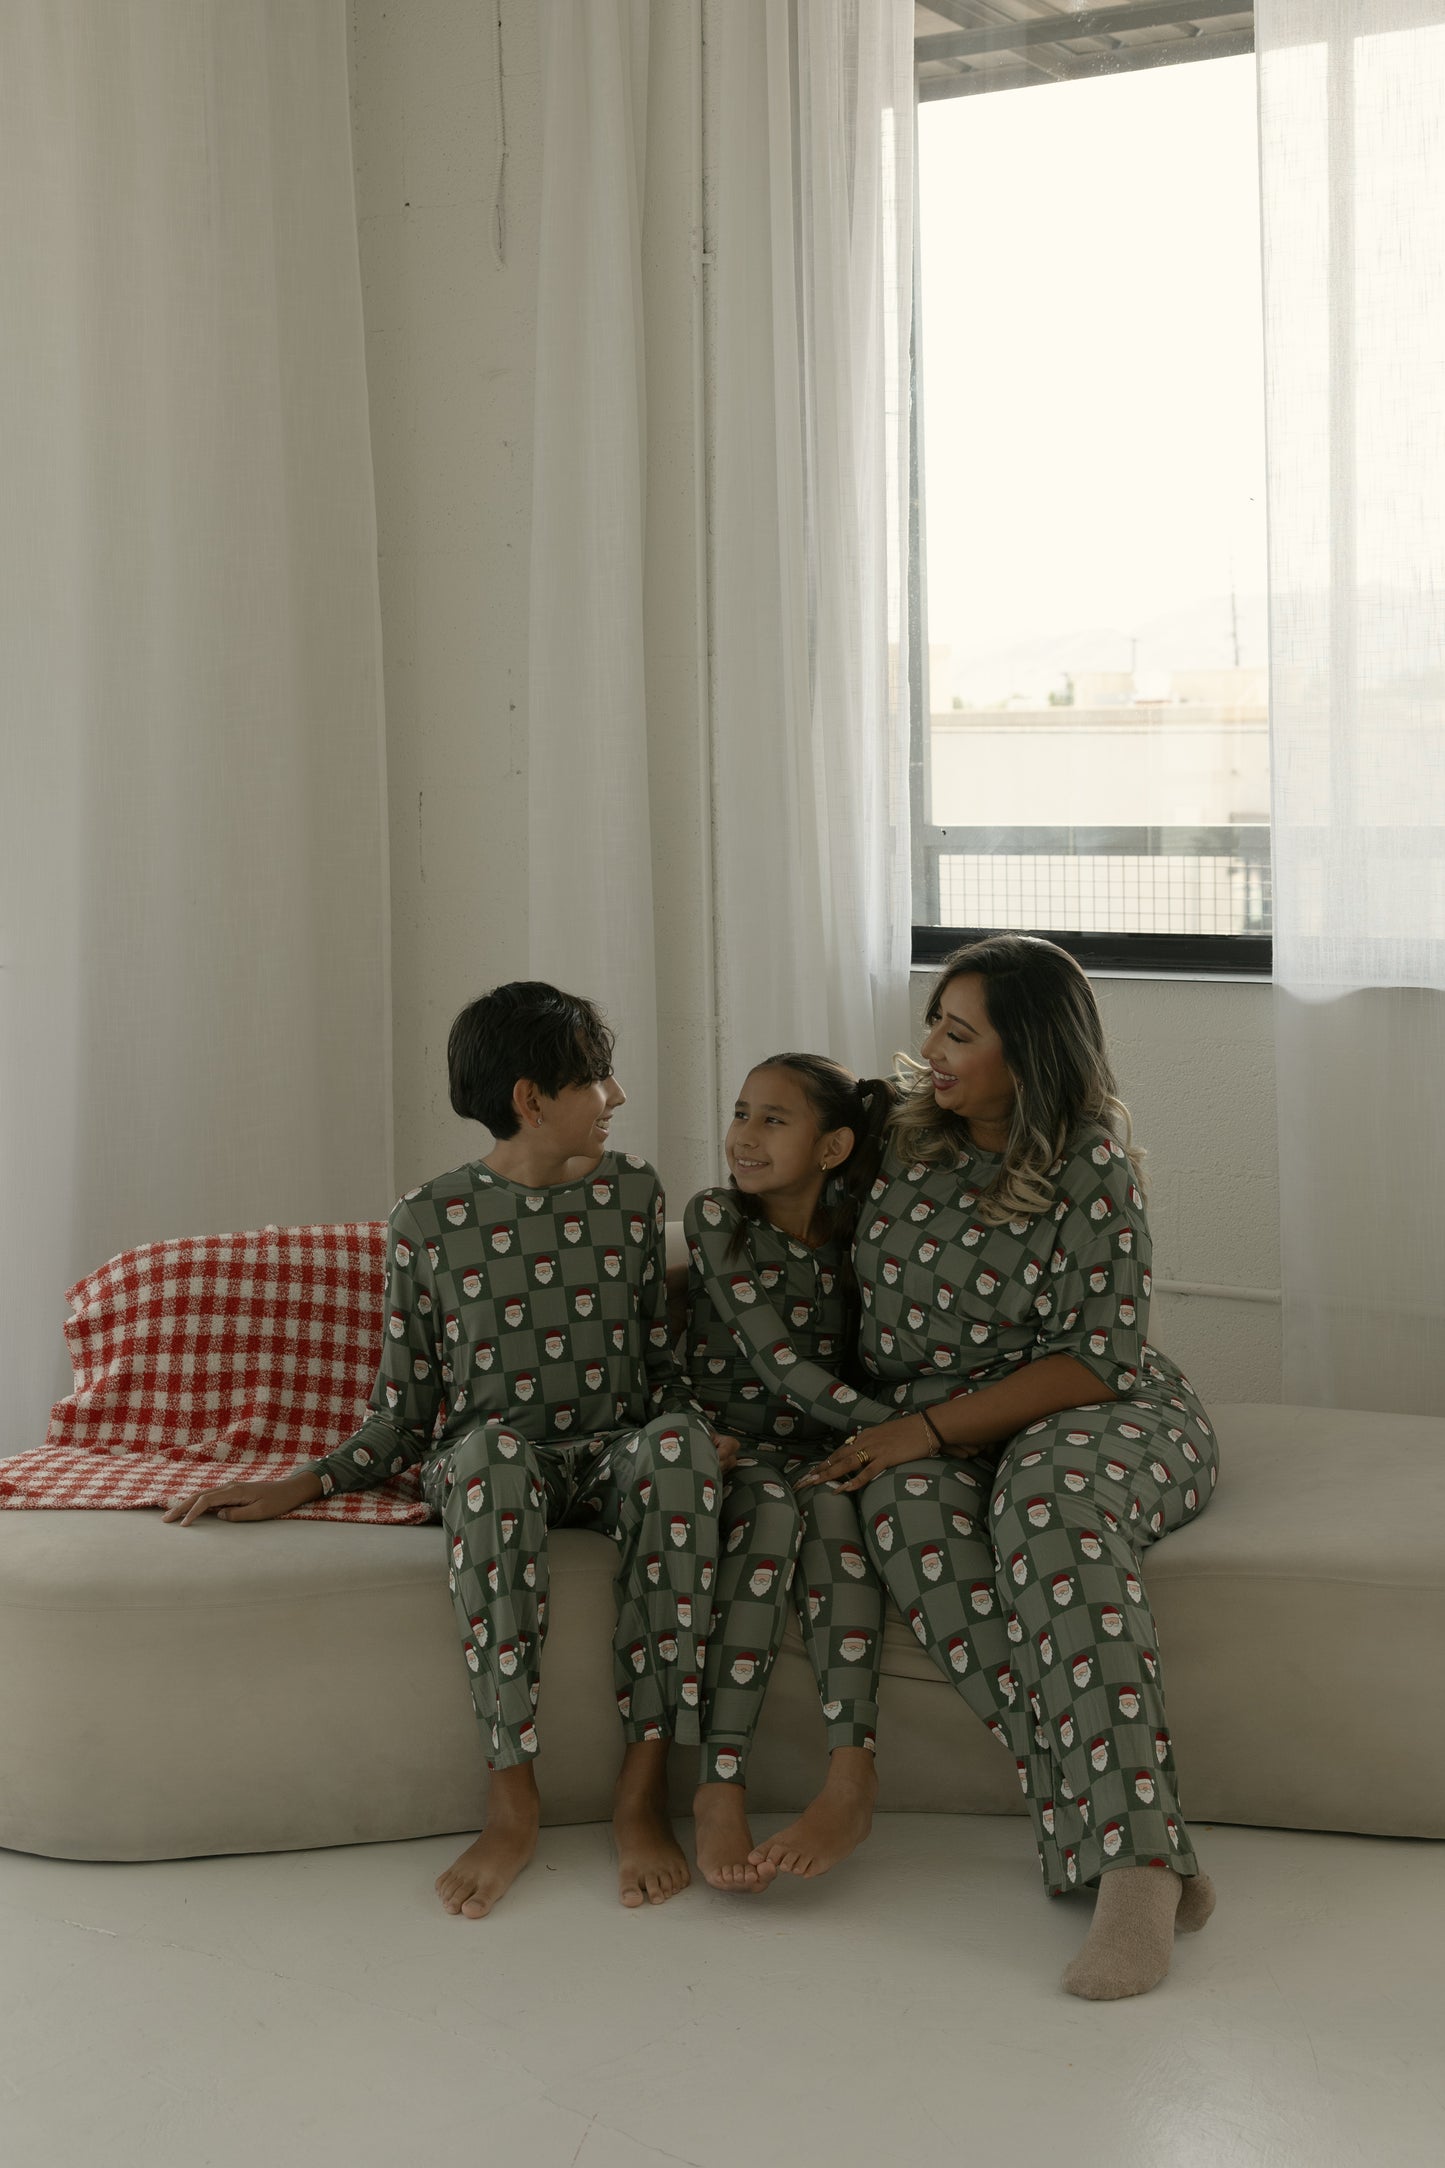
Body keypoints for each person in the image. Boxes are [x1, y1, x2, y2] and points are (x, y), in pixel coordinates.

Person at [164, 981, 722, 1920]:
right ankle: (511, 1800)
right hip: (497, 1458)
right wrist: (299, 1483)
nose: (617, 1098)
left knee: (676, 1455)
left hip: (617, 1449)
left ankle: (641, 1795)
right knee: (487, 1462)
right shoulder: (429, 1221)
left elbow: (655, 1363)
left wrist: (694, 1437)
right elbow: (405, 1411)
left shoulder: (634, 1192)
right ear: (529, 1098)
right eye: (595, 1079)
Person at [797, 935, 1218, 1999]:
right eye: (933, 1021)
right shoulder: (896, 1131)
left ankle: (1130, 1874)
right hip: (927, 1422)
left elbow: (1097, 1355)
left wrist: (931, 1431)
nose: (930, 1047)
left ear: (1026, 1051)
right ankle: (1153, 1841)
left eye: (958, 1031)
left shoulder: (1090, 1161)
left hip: (1089, 1406)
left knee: (1045, 1507)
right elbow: (769, 1188)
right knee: (891, 1506)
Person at [681, 1054, 895, 1894]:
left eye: (773, 1119)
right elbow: (780, 1366)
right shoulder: (715, 1219)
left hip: (824, 1448)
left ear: (834, 1146)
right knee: (769, 1518)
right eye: (739, 1113)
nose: (743, 1135)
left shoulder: (862, 1235)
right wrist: (917, 1431)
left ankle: (850, 1778)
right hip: (732, 1443)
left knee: (839, 1525)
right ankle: (717, 1785)